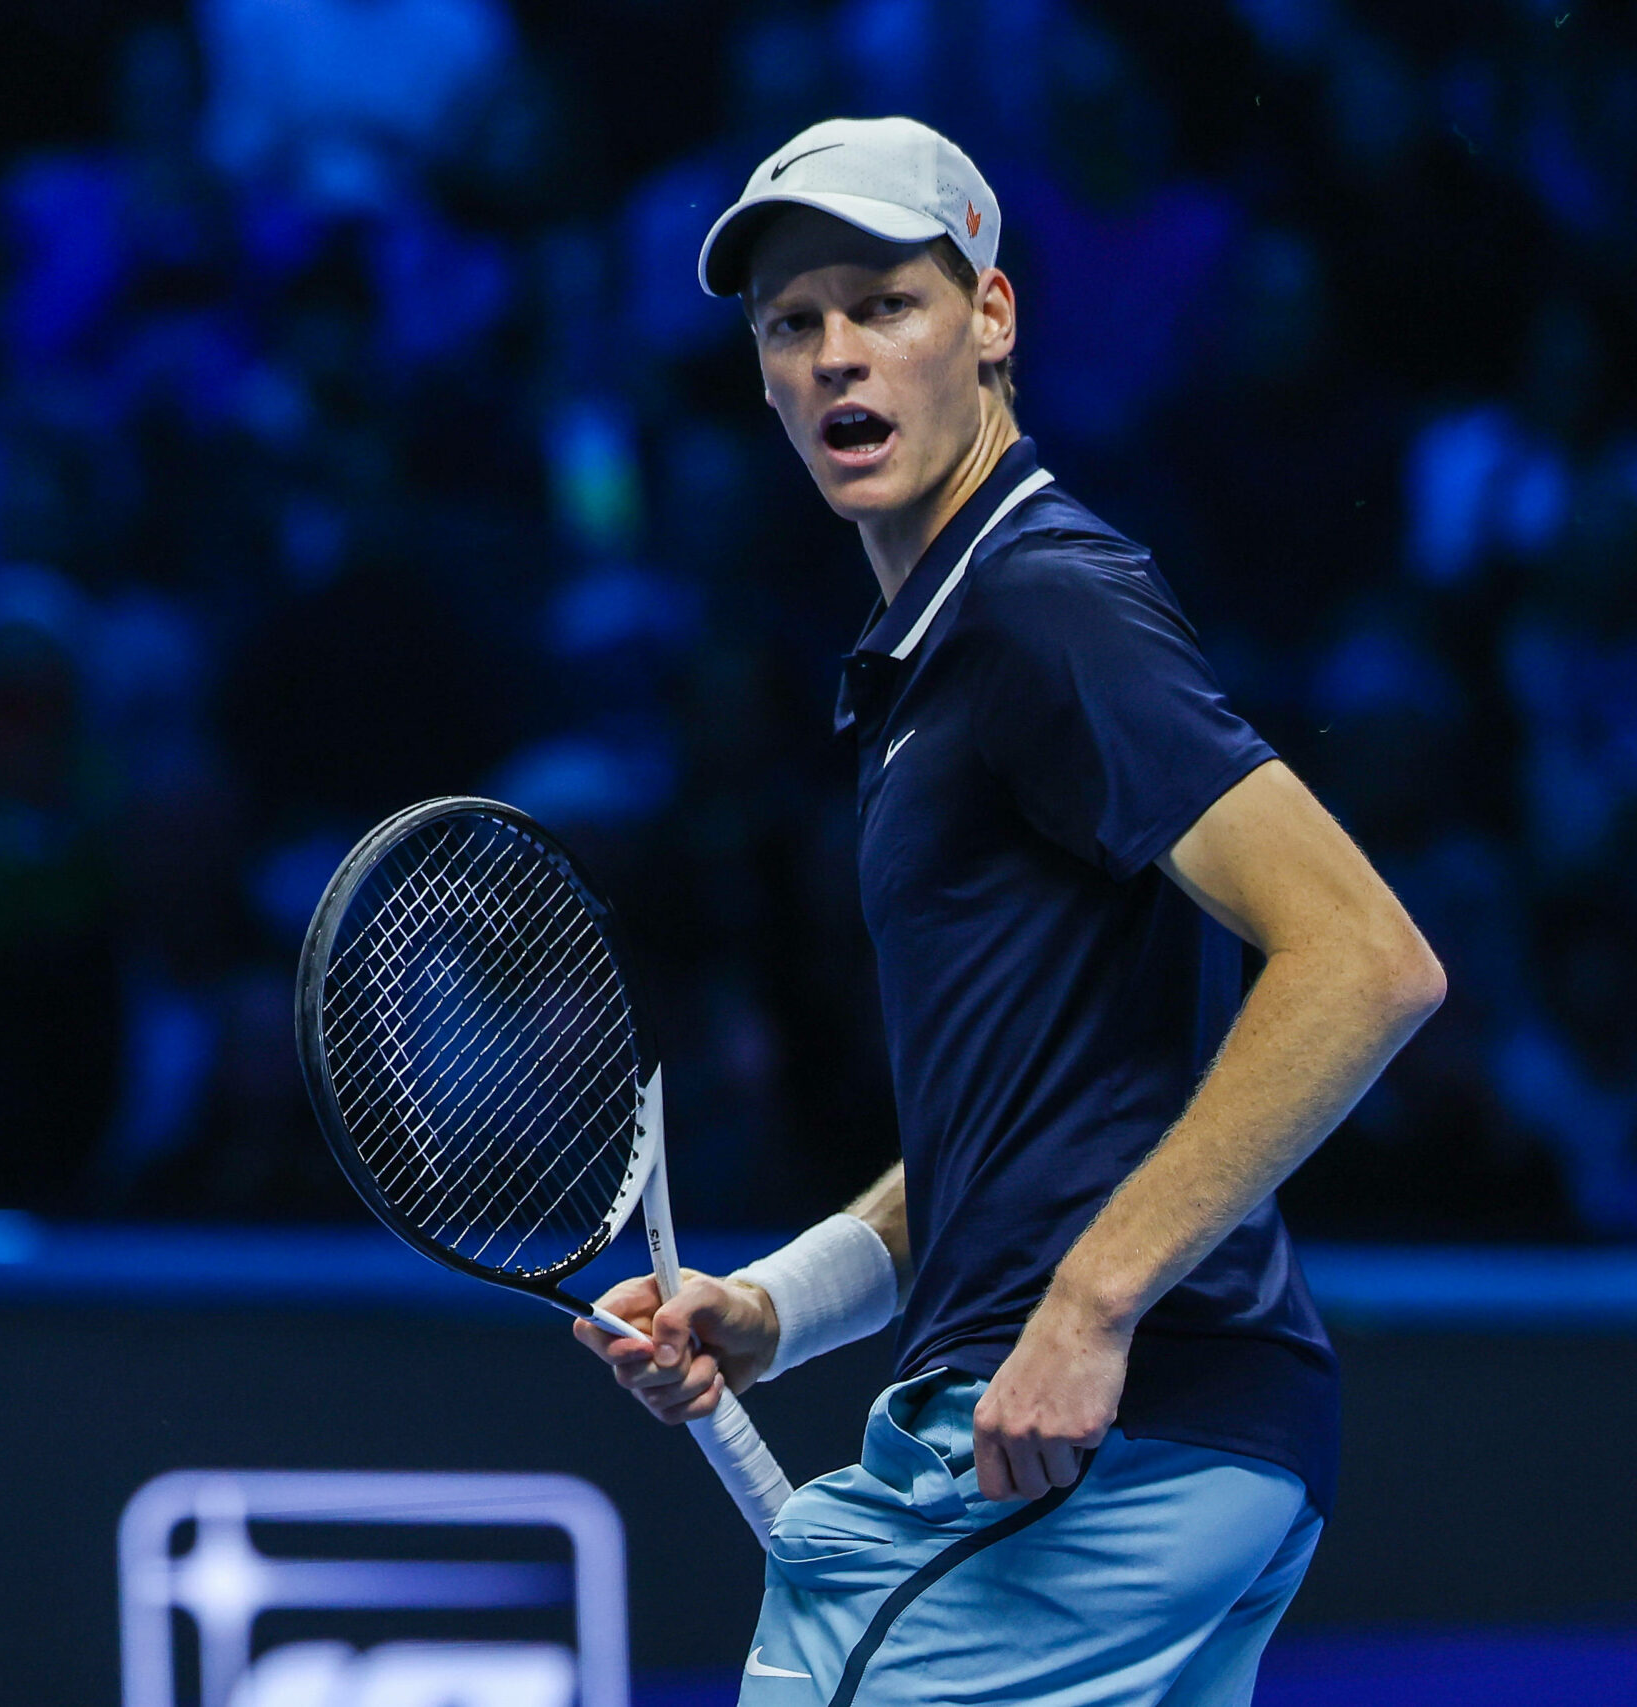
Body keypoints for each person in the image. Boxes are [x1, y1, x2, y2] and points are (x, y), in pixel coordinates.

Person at [573, 118, 1445, 1706]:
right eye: (791, 324)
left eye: (883, 305)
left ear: (991, 320)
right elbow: (1025, 1122)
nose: (836, 357)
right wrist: (777, 1306)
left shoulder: (1044, 601)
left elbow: (1367, 960)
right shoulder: (945, 652)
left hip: (1091, 1443)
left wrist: (1093, 1303)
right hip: (1196, 1439)